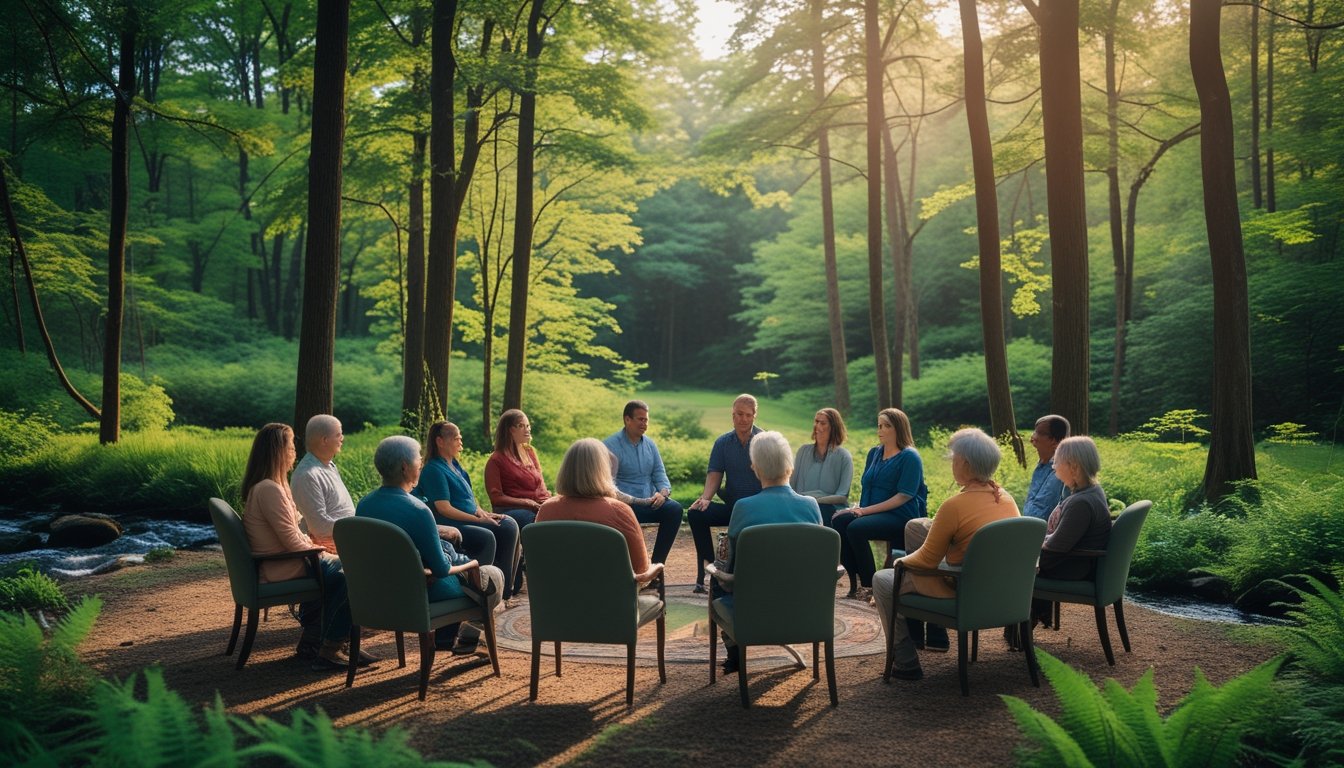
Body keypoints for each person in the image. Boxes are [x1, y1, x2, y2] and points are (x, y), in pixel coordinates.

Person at [873, 428, 1020, 680]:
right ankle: (927, 630)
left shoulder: (954, 506)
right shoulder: (1006, 498)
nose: (952, 462)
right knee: (917, 526)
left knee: (883, 580)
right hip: (1000, 588)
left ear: (965, 463)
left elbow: (926, 560)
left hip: (961, 586)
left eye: (954, 457)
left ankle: (906, 663)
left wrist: (898, 562)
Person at [356, 435, 504, 650]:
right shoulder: (418, 510)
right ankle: (469, 636)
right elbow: (442, 569)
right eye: (419, 459)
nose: (422, 464)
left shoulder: (365, 506)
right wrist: (466, 561)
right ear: (406, 467)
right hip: (419, 593)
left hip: (380, 590)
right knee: (493, 576)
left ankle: (448, 639)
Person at [240, 422, 364, 672]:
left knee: (352, 566)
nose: (294, 452)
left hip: (291, 558)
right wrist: (322, 551)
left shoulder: (274, 486)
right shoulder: (268, 490)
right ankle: (330, 647)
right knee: (353, 574)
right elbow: (291, 541)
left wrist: (316, 547)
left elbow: (295, 536)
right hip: (283, 566)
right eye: (290, 447)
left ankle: (322, 640)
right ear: (277, 452)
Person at [707, 431, 822, 674]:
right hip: (803, 607)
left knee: (717, 578)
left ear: (755, 468)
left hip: (753, 608)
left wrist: (718, 570)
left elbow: (730, 564)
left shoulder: (744, 507)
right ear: (789, 466)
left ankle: (734, 654)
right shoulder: (811, 506)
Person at [414, 421, 523, 606]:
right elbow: (444, 508)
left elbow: (470, 500)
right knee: (487, 535)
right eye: (456, 438)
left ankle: (504, 592)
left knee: (509, 524)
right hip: (449, 521)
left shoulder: (456, 466)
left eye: (460, 437)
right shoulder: (434, 469)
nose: (460, 441)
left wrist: (485, 514)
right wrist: (477, 519)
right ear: (440, 441)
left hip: (468, 518)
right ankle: (478, 592)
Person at [831, 408, 928, 600]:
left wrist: (863, 511)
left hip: (900, 516)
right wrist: (854, 510)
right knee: (839, 521)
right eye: (879, 426)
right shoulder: (874, 453)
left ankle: (870, 586)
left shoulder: (909, 457)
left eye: (887, 426)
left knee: (857, 528)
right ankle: (855, 582)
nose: (881, 430)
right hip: (873, 512)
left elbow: (903, 496)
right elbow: (867, 487)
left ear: (899, 428)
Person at [536, 438, 662, 584]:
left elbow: (539, 564)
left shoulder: (547, 510)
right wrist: (655, 567)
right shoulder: (620, 511)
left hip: (557, 602)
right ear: (603, 470)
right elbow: (641, 571)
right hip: (611, 602)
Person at [1031, 435, 1113, 626]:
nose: (1053, 467)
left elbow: (1057, 546)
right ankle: (1037, 615)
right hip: (1081, 562)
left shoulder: (1081, 503)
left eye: (1057, 462)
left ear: (1074, 467)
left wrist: (1031, 544)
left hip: (1073, 567)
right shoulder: (1093, 490)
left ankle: (1021, 628)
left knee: (1016, 564)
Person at [687, 394, 763, 593]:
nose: (743, 419)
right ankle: (714, 568)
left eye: (748, 415)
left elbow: (771, 477)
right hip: (732, 507)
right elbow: (715, 474)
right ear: (733, 415)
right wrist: (705, 498)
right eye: (739, 414)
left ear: (755, 415)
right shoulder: (722, 443)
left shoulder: (763, 441)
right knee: (696, 512)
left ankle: (740, 575)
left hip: (757, 510)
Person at [602, 400, 682, 565]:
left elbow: (659, 473)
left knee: (674, 509)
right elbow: (608, 484)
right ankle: (628, 568)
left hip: (651, 502)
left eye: (646, 420)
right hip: (624, 506)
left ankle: (656, 566)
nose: (644, 423)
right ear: (627, 420)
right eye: (640, 419)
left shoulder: (650, 445)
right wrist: (633, 501)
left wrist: (663, 493)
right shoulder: (609, 445)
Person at [290, 414, 355, 555]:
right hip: (331, 550)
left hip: (347, 540)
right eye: (338, 435)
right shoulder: (307, 475)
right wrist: (357, 527)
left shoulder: (329, 465)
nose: (342, 438)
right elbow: (319, 527)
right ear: (325, 440)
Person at [484, 409, 551, 531]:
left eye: (528, 425)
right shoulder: (496, 460)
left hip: (537, 505)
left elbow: (541, 482)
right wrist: (526, 502)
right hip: (512, 510)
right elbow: (496, 498)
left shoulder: (530, 451)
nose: (527, 429)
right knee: (535, 520)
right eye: (521, 426)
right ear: (510, 430)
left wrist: (548, 501)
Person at [790, 407, 854, 526]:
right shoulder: (803, 451)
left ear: (833, 428)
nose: (817, 426)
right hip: (802, 507)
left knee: (823, 511)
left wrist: (814, 501)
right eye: (816, 421)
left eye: (822, 423)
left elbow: (842, 496)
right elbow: (791, 487)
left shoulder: (844, 456)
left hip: (829, 510)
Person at [1022, 415, 1070, 521]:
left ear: (1055, 440)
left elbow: (1045, 514)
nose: (1032, 438)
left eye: (1039, 433)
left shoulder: (1062, 473)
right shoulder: (1041, 465)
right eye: (1034, 431)